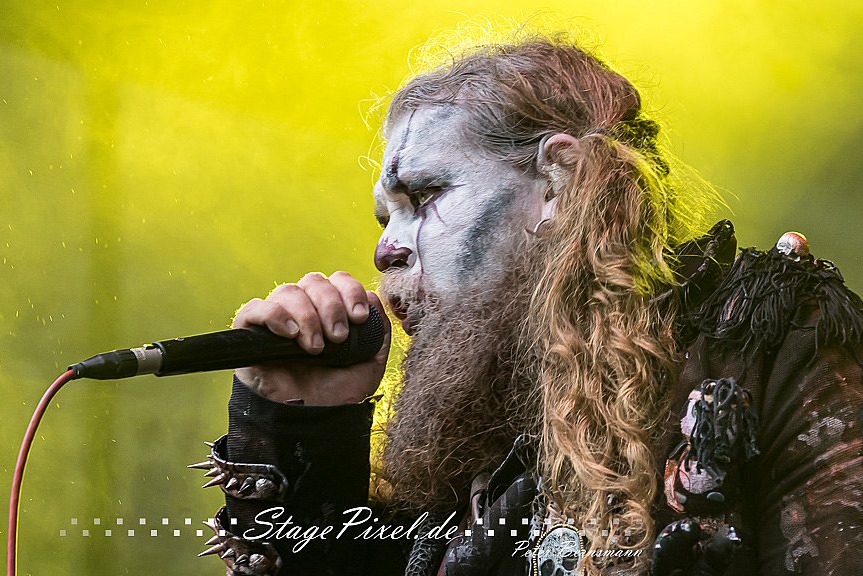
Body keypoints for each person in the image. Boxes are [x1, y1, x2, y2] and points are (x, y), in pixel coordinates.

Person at [189, 32, 863, 576]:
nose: (385, 249)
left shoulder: (764, 339)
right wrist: (301, 427)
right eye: (383, 219)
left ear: (558, 180)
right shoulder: (462, 446)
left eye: (423, 197)